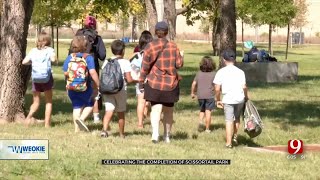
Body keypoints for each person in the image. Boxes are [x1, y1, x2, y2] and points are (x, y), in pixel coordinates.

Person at [139, 21, 184, 143]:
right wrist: (182, 56)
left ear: (155, 32)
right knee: (169, 111)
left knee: (156, 109)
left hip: (154, 83)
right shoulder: (173, 46)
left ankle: (155, 134)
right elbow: (179, 64)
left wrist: (141, 82)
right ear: (167, 32)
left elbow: (144, 67)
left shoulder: (150, 46)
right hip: (170, 84)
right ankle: (167, 136)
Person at [71, 15, 106, 124]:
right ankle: (96, 118)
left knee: (79, 91)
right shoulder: (97, 38)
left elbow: (70, 52)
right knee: (94, 92)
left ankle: (79, 115)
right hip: (92, 65)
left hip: (77, 67)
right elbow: (102, 55)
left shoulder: (78, 35)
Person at [63, 36, 100, 132]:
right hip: (85, 86)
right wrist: (98, 84)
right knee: (90, 103)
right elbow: (92, 72)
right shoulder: (88, 58)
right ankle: (82, 119)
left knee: (76, 107)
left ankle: (77, 130)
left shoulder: (69, 58)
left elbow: (65, 72)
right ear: (85, 46)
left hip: (71, 87)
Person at [213, 49, 249, 148]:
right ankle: (235, 137)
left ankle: (228, 143)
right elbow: (244, 86)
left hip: (228, 99)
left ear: (224, 59)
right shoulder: (240, 72)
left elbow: (217, 88)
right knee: (237, 119)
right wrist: (246, 97)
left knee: (229, 120)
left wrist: (218, 99)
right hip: (239, 99)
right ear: (235, 59)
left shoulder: (221, 72)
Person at [100, 40, 135, 138]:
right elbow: (129, 79)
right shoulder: (125, 62)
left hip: (107, 89)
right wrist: (138, 80)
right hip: (120, 89)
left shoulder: (107, 61)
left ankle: (104, 130)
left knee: (109, 110)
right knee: (121, 112)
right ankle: (121, 134)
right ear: (123, 50)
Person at [22, 32, 56, 128]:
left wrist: (32, 62)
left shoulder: (33, 51)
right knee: (48, 101)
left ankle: (28, 118)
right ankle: (47, 124)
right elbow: (53, 60)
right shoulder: (50, 50)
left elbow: (24, 62)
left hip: (36, 79)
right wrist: (53, 57)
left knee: (36, 102)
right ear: (48, 41)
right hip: (47, 78)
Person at [130, 30, 153, 129]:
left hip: (140, 82)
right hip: (152, 82)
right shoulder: (153, 55)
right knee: (151, 101)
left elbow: (132, 68)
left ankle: (140, 123)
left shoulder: (137, 56)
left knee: (140, 102)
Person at [191, 56, 216, 133]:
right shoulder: (214, 74)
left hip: (200, 95)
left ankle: (200, 121)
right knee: (208, 111)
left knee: (202, 110)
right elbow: (216, 85)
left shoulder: (199, 73)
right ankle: (207, 129)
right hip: (210, 95)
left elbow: (193, 83)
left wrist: (192, 92)